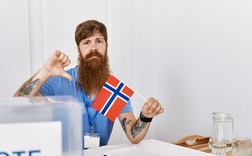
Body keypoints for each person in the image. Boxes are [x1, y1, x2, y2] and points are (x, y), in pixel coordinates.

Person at [14, 19, 164, 146]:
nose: (93, 48)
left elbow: (133, 135)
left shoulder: (113, 88)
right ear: (78, 49)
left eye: (99, 41)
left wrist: (145, 116)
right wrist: (45, 71)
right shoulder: (59, 80)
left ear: (106, 45)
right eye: (86, 42)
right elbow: (17, 104)